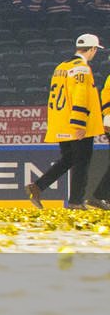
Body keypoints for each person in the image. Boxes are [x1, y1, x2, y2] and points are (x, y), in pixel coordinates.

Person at [26, 33, 107, 210]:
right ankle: (76, 201)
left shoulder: (61, 66)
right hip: (76, 124)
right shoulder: (82, 69)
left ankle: (38, 186)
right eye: (95, 50)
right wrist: (80, 124)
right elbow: (80, 96)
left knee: (69, 158)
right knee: (82, 161)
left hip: (61, 122)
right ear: (92, 49)